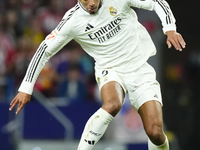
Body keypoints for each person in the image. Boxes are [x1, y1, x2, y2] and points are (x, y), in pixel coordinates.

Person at [9, 0, 186, 150]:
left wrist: (170, 28)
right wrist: (26, 87)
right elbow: (44, 50)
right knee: (112, 103)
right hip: (109, 69)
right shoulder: (73, 20)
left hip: (139, 68)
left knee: (155, 132)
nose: (91, 3)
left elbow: (157, 2)